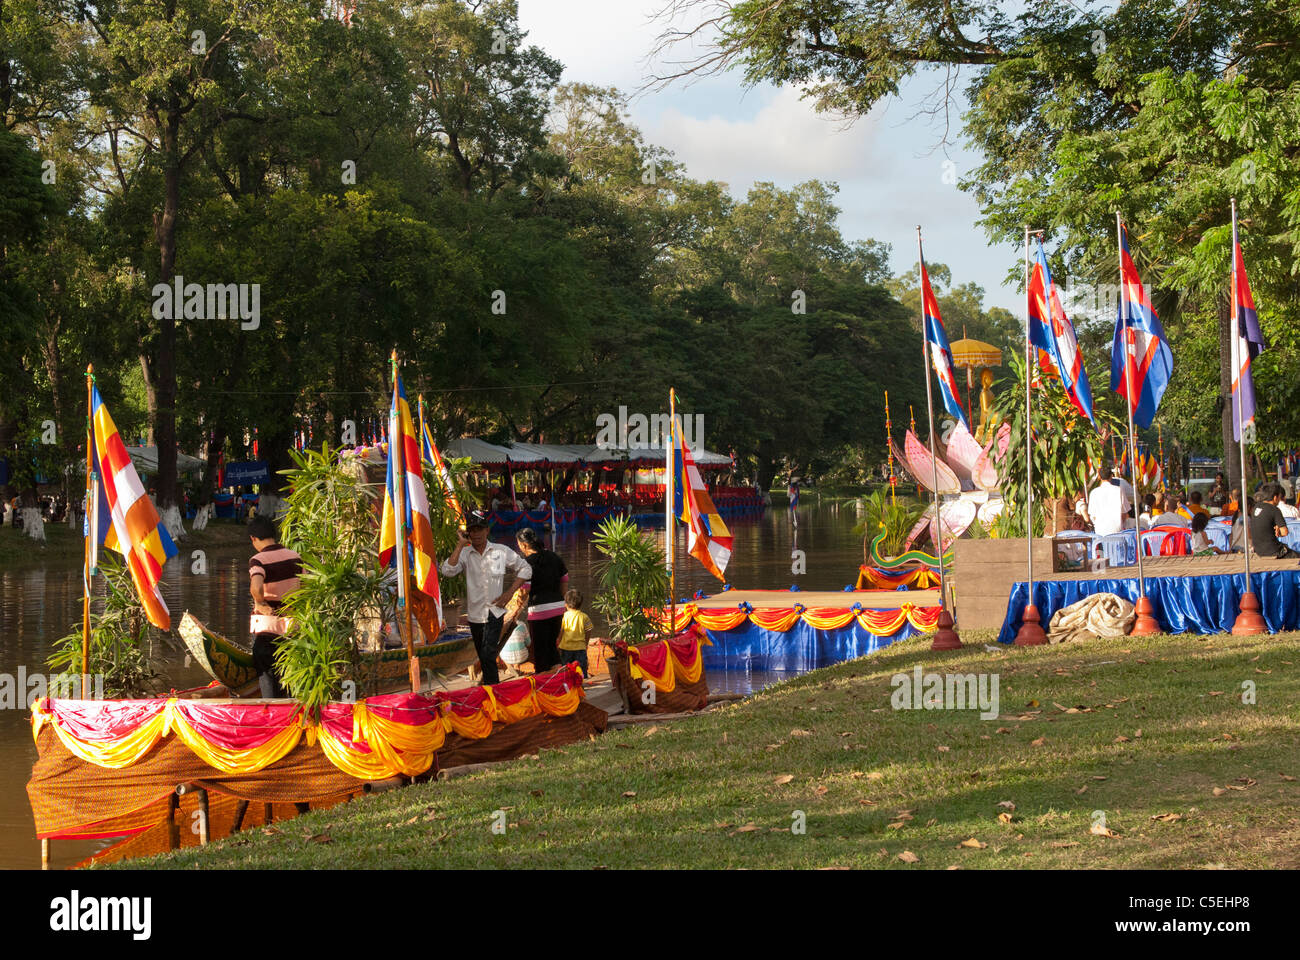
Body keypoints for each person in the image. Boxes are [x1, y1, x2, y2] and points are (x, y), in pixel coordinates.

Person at [440, 512, 531, 685]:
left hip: (494, 612)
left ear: (487, 530)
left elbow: (525, 569)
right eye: (472, 530)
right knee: (484, 656)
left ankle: (492, 691)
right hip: (474, 615)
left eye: (480, 529)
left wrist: (509, 592)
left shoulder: (500, 551)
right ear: (468, 533)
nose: (476, 534)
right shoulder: (465, 553)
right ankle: (491, 690)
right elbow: (447, 570)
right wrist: (460, 545)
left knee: (488, 654)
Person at [248, 516, 302, 698]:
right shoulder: (295, 557)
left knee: (269, 683)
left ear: (253, 538)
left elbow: (256, 586)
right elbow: (306, 589)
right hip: (293, 631)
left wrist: (262, 603)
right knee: (289, 683)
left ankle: (273, 721)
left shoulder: (258, 560)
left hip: (269, 632)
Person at [514, 526, 568, 673]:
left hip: (539, 611)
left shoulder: (527, 563)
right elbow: (564, 580)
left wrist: (516, 609)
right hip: (558, 608)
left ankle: (544, 688)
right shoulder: (555, 557)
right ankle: (558, 682)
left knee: (540, 653)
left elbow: (525, 591)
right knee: (552, 647)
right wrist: (560, 600)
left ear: (524, 545)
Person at [1249, 482, 1296, 559]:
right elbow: (1284, 532)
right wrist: (1279, 532)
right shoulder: (1274, 509)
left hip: (1259, 551)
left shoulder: (1256, 507)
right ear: (1275, 497)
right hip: (1274, 551)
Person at [557, 588, 594, 677]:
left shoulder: (564, 616)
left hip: (565, 648)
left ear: (566, 604)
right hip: (580, 648)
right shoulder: (584, 617)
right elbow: (589, 630)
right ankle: (581, 686)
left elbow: (561, 632)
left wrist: (558, 643)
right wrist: (586, 643)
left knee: (566, 671)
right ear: (580, 604)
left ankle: (569, 687)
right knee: (580, 670)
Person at [1087, 465, 1130, 536]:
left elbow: (1092, 516)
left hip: (1100, 532)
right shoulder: (1119, 490)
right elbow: (1124, 513)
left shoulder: (1094, 493)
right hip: (1117, 531)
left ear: (1099, 477)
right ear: (1111, 476)